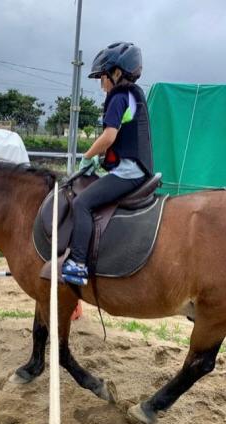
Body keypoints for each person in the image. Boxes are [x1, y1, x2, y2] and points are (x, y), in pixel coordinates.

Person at [62, 42, 154, 286]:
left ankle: (78, 263)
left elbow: (109, 136)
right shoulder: (134, 96)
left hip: (129, 173)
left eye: (102, 77)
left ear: (116, 73)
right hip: (137, 168)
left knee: (82, 203)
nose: (101, 84)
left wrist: (88, 155)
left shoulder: (118, 98)